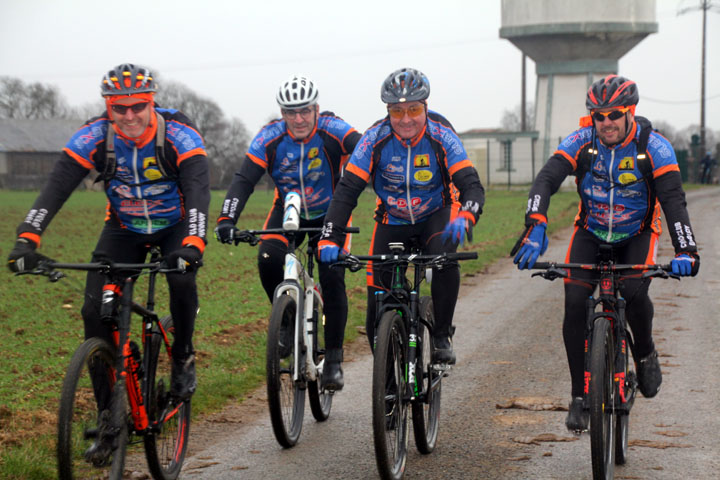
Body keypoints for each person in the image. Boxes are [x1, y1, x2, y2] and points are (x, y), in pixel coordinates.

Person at [7, 63, 210, 404]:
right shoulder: (94, 135)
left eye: (137, 107)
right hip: (123, 227)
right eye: (119, 108)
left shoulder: (179, 135)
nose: (129, 116)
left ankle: (183, 354)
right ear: (108, 106)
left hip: (174, 225)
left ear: (152, 102)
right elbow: (56, 188)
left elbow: (198, 192)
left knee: (181, 279)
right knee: (92, 314)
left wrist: (193, 244)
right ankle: (106, 417)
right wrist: (27, 238)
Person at [512, 74, 700, 433]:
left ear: (630, 111)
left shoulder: (654, 147)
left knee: (633, 291)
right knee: (574, 300)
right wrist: (535, 222)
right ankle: (580, 395)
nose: (606, 123)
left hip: (637, 232)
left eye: (614, 114)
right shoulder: (582, 142)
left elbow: (674, 201)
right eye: (599, 116)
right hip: (591, 231)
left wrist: (686, 249)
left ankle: (643, 352)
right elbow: (546, 179)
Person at [318, 67, 485, 365]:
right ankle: (390, 384)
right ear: (388, 112)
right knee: (375, 314)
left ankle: (442, 334)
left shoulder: (441, 136)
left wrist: (468, 215)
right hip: (391, 221)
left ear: (425, 107)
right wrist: (330, 237)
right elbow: (345, 192)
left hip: (437, 213)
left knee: (443, 258)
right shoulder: (374, 140)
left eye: (413, 109)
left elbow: (470, 184)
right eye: (397, 111)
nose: (406, 119)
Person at [214, 74, 361, 391]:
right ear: (281, 114)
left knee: (331, 273)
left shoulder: (333, 130)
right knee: (268, 257)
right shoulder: (269, 137)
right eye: (291, 112)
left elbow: (367, 152)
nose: (298, 119)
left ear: (316, 109)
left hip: (330, 211)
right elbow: (244, 179)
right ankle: (286, 321)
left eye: (305, 111)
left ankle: (333, 359)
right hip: (288, 208)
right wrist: (227, 219)